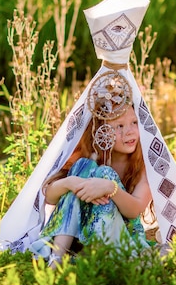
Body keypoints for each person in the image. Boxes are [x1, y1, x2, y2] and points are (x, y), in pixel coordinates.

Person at [28, 71, 154, 267]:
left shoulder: (144, 163)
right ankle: (57, 258)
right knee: (83, 167)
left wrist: (109, 188)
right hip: (82, 234)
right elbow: (50, 196)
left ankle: (66, 258)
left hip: (121, 237)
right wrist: (72, 183)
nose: (129, 131)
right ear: (100, 130)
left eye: (134, 123)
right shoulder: (87, 156)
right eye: (119, 126)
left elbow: (135, 210)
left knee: (106, 174)